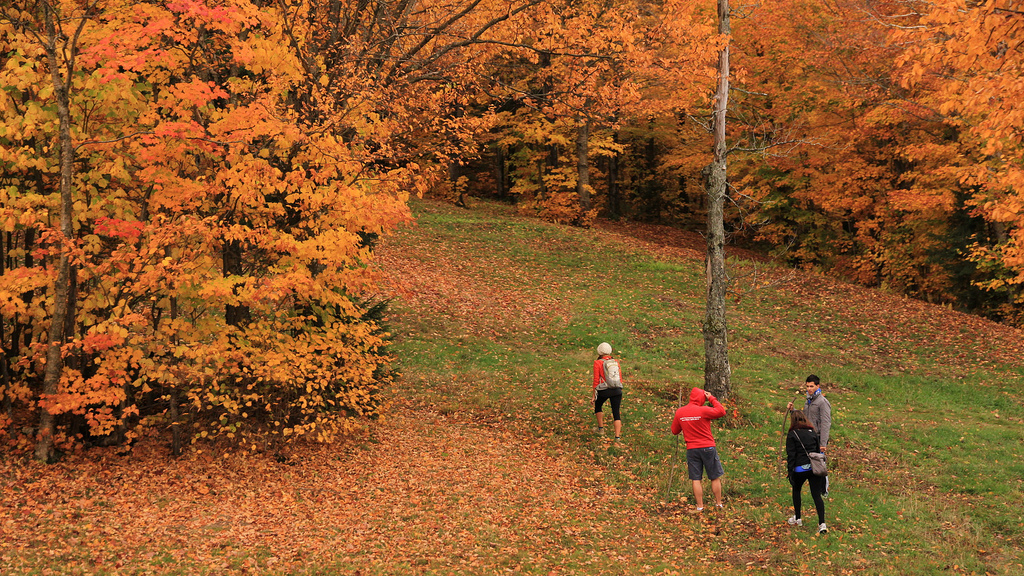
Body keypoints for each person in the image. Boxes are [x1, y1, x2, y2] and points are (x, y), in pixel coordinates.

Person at [671, 388, 726, 511]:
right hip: (708, 447)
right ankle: (718, 504)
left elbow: (674, 431)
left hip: (692, 449)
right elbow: (721, 411)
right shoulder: (704, 410)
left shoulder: (680, 412)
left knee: (696, 478)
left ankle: (700, 506)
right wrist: (711, 398)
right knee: (714, 476)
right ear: (702, 398)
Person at [787, 374, 832, 495]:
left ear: (818, 386)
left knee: (819, 464)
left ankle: (824, 490)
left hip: (817, 438)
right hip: (808, 437)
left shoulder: (823, 402)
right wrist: (793, 411)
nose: (809, 389)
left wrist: (823, 443)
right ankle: (816, 488)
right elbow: (805, 418)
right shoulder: (808, 401)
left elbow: (826, 423)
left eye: (811, 386)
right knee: (811, 463)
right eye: (807, 386)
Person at [786, 410, 827, 534]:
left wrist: (790, 471)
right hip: (814, 468)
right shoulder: (813, 432)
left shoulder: (792, 434)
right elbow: (816, 451)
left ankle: (798, 518)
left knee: (797, 490)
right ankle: (822, 523)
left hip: (799, 468)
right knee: (816, 495)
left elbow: (791, 455)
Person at [592, 342, 623, 442]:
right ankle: (617, 438)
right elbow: (620, 378)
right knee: (616, 413)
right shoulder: (615, 362)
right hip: (617, 390)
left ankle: (601, 429)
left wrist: (593, 395)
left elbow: (596, 380)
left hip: (604, 390)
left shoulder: (598, 363)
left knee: (598, 405)